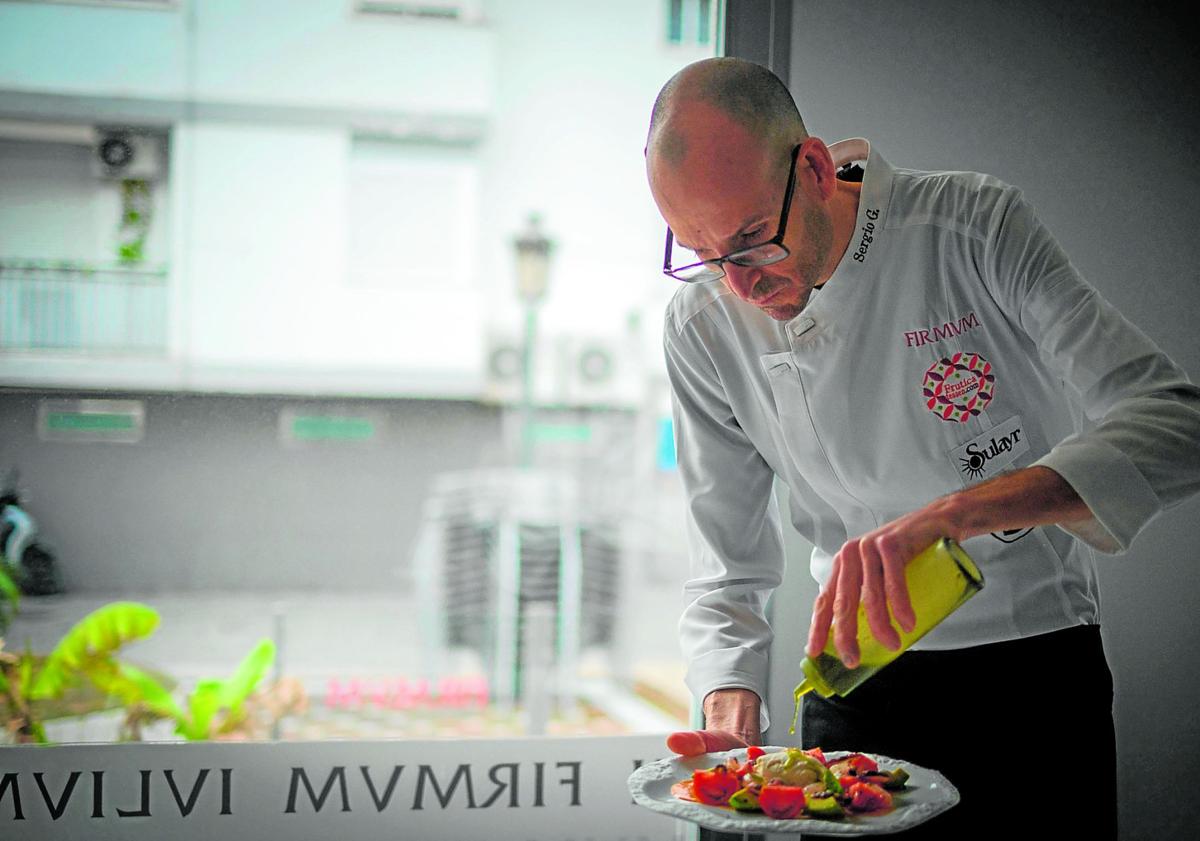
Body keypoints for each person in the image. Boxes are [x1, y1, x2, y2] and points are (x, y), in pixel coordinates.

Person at [645, 57, 1200, 838]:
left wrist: (953, 514)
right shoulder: (700, 323)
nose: (739, 286)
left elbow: (1177, 422)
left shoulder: (971, 228)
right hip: (848, 690)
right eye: (701, 252)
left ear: (812, 167)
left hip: (1032, 672)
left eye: (750, 241)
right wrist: (729, 702)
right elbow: (727, 564)